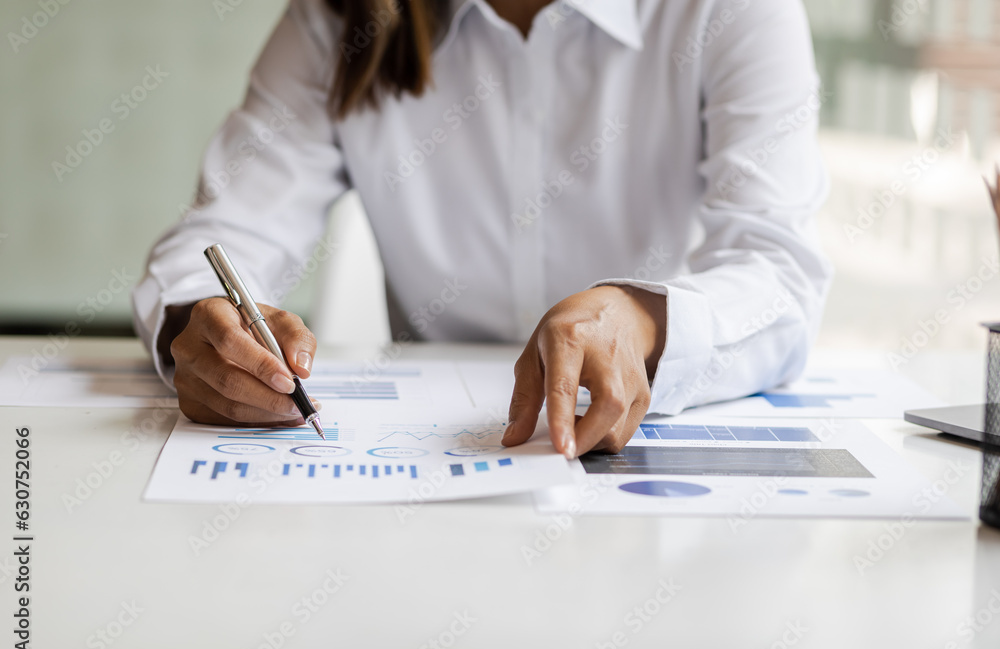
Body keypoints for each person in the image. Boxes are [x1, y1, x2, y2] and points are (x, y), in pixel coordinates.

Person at [132, 0, 831, 460]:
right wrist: (202, 325)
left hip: (647, 458)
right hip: (435, 481)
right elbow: (226, 233)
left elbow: (779, 269)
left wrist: (644, 320)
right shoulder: (339, 18)